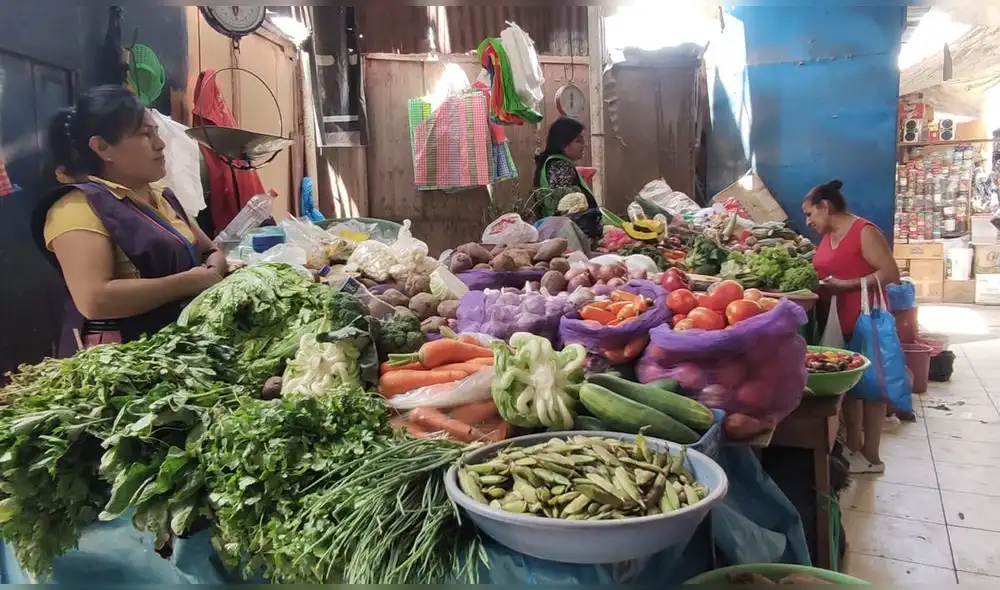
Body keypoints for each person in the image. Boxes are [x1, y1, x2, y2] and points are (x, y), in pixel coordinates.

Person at [31, 85, 228, 357]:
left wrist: (212, 273)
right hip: (121, 361)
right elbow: (94, 299)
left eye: (156, 132)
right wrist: (189, 282)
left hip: (177, 349)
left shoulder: (161, 196)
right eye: (144, 135)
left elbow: (210, 249)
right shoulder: (77, 207)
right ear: (102, 147)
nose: (160, 144)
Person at [803, 179, 901, 475]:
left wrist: (845, 285)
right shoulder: (830, 234)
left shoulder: (864, 231)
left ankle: (872, 457)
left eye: (810, 214)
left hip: (866, 317)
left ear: (825, 206)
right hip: (838, 316)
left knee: (871, 388)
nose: (808, 221)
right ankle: (854, 446)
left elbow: (891, 273)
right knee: (851, 384)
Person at [532, 117, 601, 241]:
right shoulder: (559, 165)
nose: (585, 144)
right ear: (564, 144)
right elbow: (567, 209)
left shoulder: (554, 162)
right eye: (578, 140)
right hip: (565, 236)